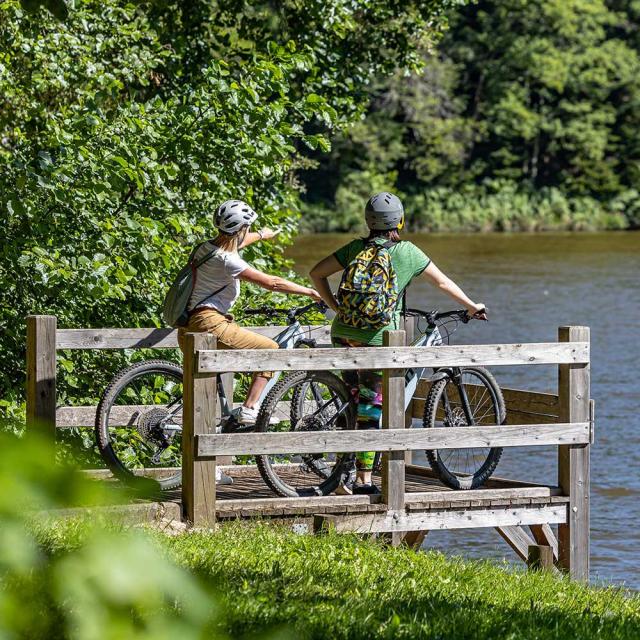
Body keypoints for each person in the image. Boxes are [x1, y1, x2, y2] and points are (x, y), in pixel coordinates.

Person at [310, 192, 487, 494]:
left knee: (352, 400)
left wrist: (337, 307)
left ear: (368, 220)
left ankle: (343, 471)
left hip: (343, 332)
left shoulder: (355, 248)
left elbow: (316, 274)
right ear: (399, 221)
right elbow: (442, 282)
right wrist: (472, 306)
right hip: (378, 338)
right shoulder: (407, 252)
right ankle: (362, 480)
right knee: (370, 407)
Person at [178, 199, 322, 427]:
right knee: (271, 350)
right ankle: (249, 408)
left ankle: (225, 421)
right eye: (247, 228)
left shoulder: (205, 249)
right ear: (240, 230)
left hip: (189, 324)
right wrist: (311, 292)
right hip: (210, 324)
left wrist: (262, 235)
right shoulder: (228, 261)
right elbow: (272, 283)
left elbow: (237, 244)